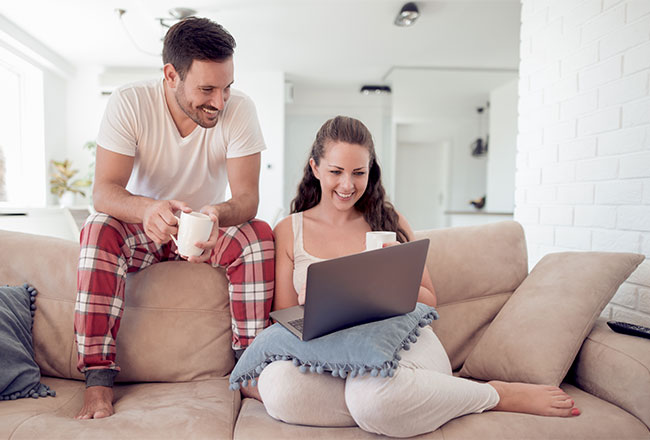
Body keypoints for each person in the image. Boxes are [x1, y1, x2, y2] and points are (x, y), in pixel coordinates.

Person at [257, 116, 580, 437]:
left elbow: (428, 299)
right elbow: (285, 319)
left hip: (401, 341)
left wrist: (377, 286)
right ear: (315, 168)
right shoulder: (290, 230)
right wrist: (318, 304)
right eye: (335, 172)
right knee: (278, 388)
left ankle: (492, 395)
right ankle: (398, 403)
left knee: (372, 397)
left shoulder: (387, 219)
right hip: (330, 354)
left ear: (371, 171)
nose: (347, 185)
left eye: (359, 173)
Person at [74, 17, 274, 419]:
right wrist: (147, 209)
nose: (220, 101)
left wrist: (218, 212)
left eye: (227, 87)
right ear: (170, 75)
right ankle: (97, 381)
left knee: (259, 235)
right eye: (207, 89)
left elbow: (248, 198)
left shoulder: (240, 110)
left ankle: (249, 367)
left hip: (206, 228)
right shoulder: (130, 102)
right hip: (145, 228)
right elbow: (104, 191)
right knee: (97, 228)